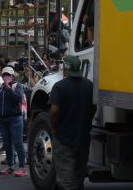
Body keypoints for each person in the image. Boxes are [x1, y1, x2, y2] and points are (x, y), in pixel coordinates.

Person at [49, 55, 96, 190]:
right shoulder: (89, 85)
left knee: (65, 181)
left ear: (66, 68)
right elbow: (94, 108)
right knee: (79, 178)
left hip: (64, 139)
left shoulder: (59, 87)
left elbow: (54, 111)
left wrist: (53, 127)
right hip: (83, 138)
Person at [0, 67, 27, 177]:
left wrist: (9, 89)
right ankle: (10, 166)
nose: (6, 76)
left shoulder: (17, 86)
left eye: (8, 75)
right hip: (3, 119)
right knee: (7, 144)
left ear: (12, 76)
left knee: (18, 143)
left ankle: (22, 167)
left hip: (15, 118)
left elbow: (18, 98)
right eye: (4, 75)